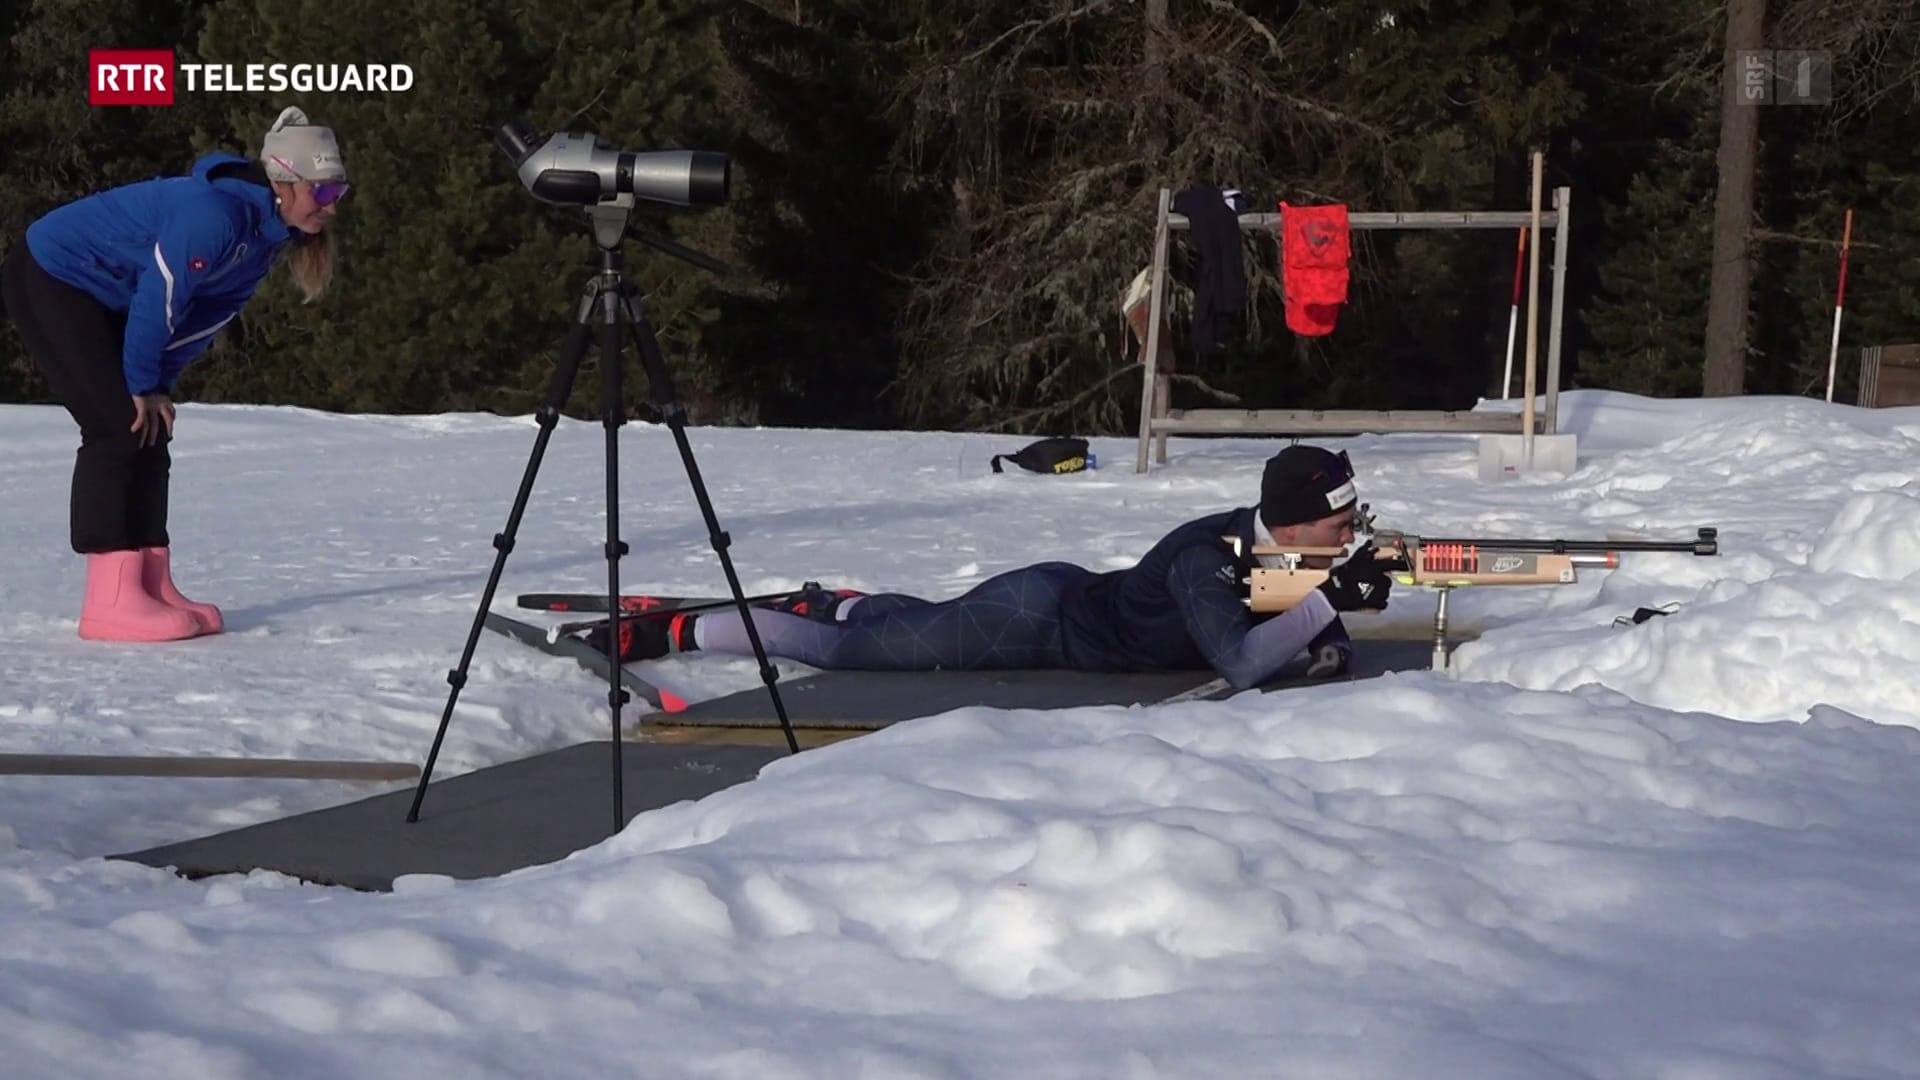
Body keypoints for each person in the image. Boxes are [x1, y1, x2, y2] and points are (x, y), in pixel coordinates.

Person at [590, 445, 1396, 691]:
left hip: (1063, 603)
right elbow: (1243, 663)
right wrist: (1332, 599)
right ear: (1296, 523)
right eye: (1340, 525)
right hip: (1031, 621)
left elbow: (1286, 615)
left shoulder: (1274, 547)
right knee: (846, 655)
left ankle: (847, 603)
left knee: (901, 625)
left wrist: (1329, 626)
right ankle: (677, 631)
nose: (1349, 535)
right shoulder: (1205, 560)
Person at [2, 106, 350, 642]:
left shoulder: (265, 238)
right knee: (117, 423)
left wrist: (158, 384)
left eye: (338, 192)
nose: (330, 205)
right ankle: (109, 601)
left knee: (151, 426)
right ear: (283, 182)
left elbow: (204, 318)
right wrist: (140, 384)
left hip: (109, 296)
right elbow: (160, 299)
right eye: (321, 191)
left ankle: (149, 583)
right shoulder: (215, 215)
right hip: (53, 273)